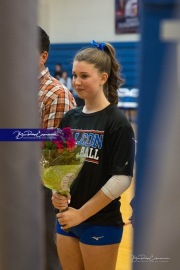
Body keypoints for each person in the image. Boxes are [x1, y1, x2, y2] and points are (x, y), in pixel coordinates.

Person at [52, 40, 135, 270]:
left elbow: (121, 179)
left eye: (84, 76)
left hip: (100, 222)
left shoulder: (117, 122)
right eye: (74, 75)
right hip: (66, 219)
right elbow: (58, 164)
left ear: (103, 77)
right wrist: (55, 193)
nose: (77, 82)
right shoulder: (70, 118)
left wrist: (81, 215)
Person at [38, 26, 76, 270]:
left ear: (43, 56)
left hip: (42, 190)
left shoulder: (56, 94)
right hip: (13, 183)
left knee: (47, 254)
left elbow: (59, 155)